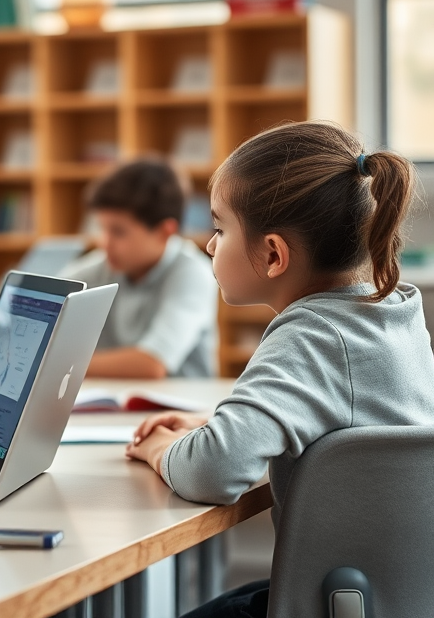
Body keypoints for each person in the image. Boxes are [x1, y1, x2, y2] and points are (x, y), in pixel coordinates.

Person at [125, 122, 434, 618]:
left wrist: (160, 449)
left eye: (220, 228)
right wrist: (214, 426)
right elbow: (342, 413)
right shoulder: (393, 313)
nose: (208, 245)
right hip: (401, 595)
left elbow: (210, 471)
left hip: (336, 602)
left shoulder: (309, 337)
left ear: (273, 254)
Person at [58, 160, 217, 378]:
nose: (104, 242)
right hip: (117, 403)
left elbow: (151, 364)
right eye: (102, 229)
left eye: (118, 232)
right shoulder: (105, 264)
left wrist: (55, 365)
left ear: (164, 231)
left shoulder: (192, 272)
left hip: (178, 407)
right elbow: (48, 298)